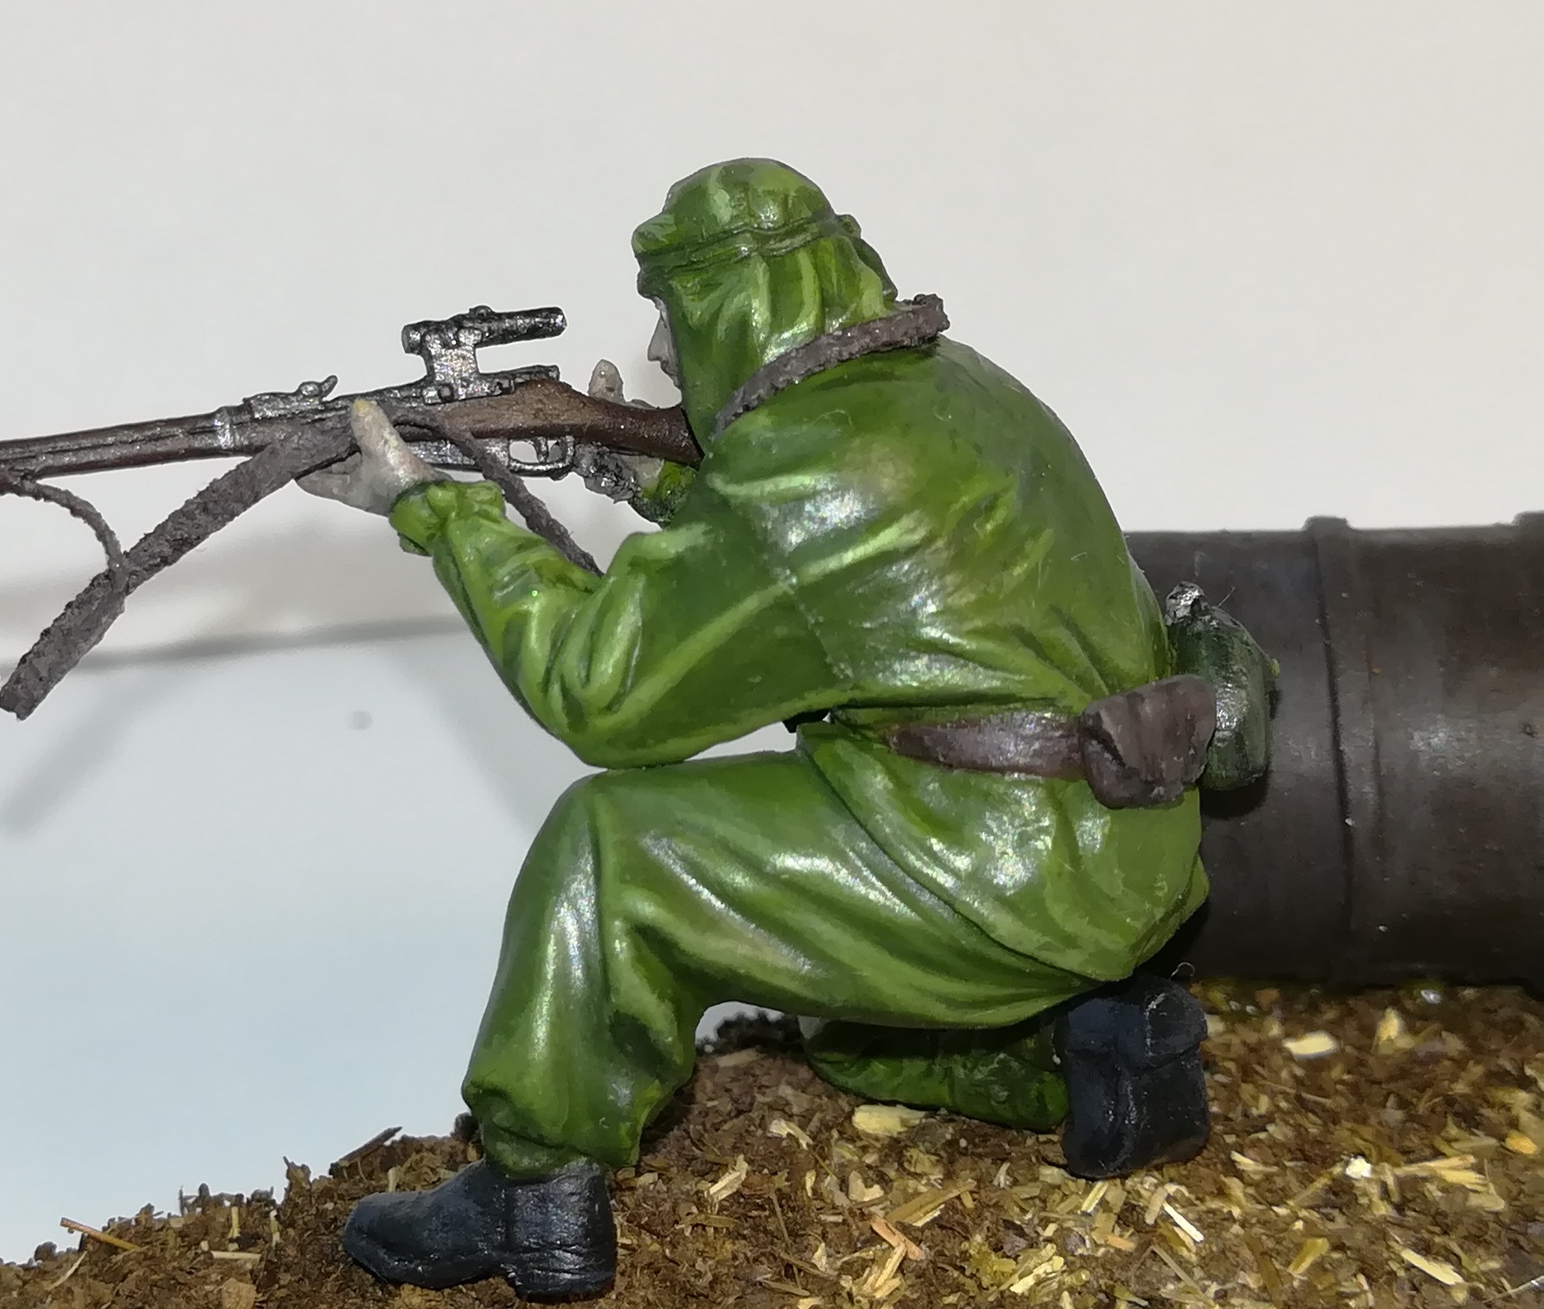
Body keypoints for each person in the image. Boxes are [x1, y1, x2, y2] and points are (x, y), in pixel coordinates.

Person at [299, 160, 1239, 1299]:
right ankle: (1088, 1051)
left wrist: (439, 512)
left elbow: (601, 694)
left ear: (736, 306)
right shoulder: (955, 386)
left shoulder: (809, 466)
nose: (658, 348)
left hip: (991, 874)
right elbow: (859, 576)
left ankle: (533, 1196)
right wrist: (650, 479)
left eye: (672, 311)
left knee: (611, 847)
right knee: (850, 1036)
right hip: (1131, 857)